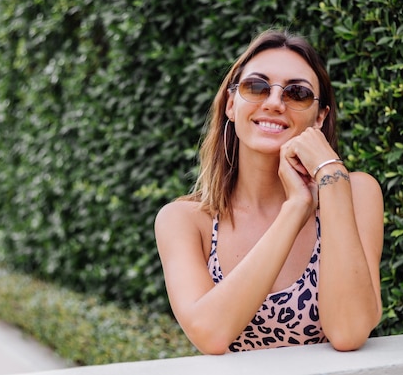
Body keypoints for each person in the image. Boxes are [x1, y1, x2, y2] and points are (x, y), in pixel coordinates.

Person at [154, 29, 383, 355]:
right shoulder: (185, 221)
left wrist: (330, 174)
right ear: (232, 105)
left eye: (297, 93)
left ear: (320, 118)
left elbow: (348, 331)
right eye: (257, 87)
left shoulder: (354, 192)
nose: (275, 103)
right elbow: (210, 334)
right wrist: (296, 208)